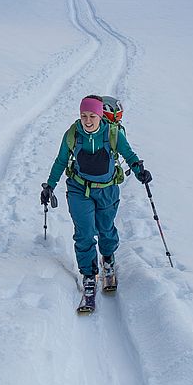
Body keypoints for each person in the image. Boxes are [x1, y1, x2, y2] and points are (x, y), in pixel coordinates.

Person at [40, 95, 152, 296]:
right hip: (79, 189)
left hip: (107, 189)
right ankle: (89, 275)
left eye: (92, 115)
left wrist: (139, 170)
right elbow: (60, 161)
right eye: (84, 115)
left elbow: (129, 155)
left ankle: (108, 258)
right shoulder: (73, 134)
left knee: (106, 230)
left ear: (101, 115)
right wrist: (50, 185)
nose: (88, 120)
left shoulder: (113, 134)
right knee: (84, 233)